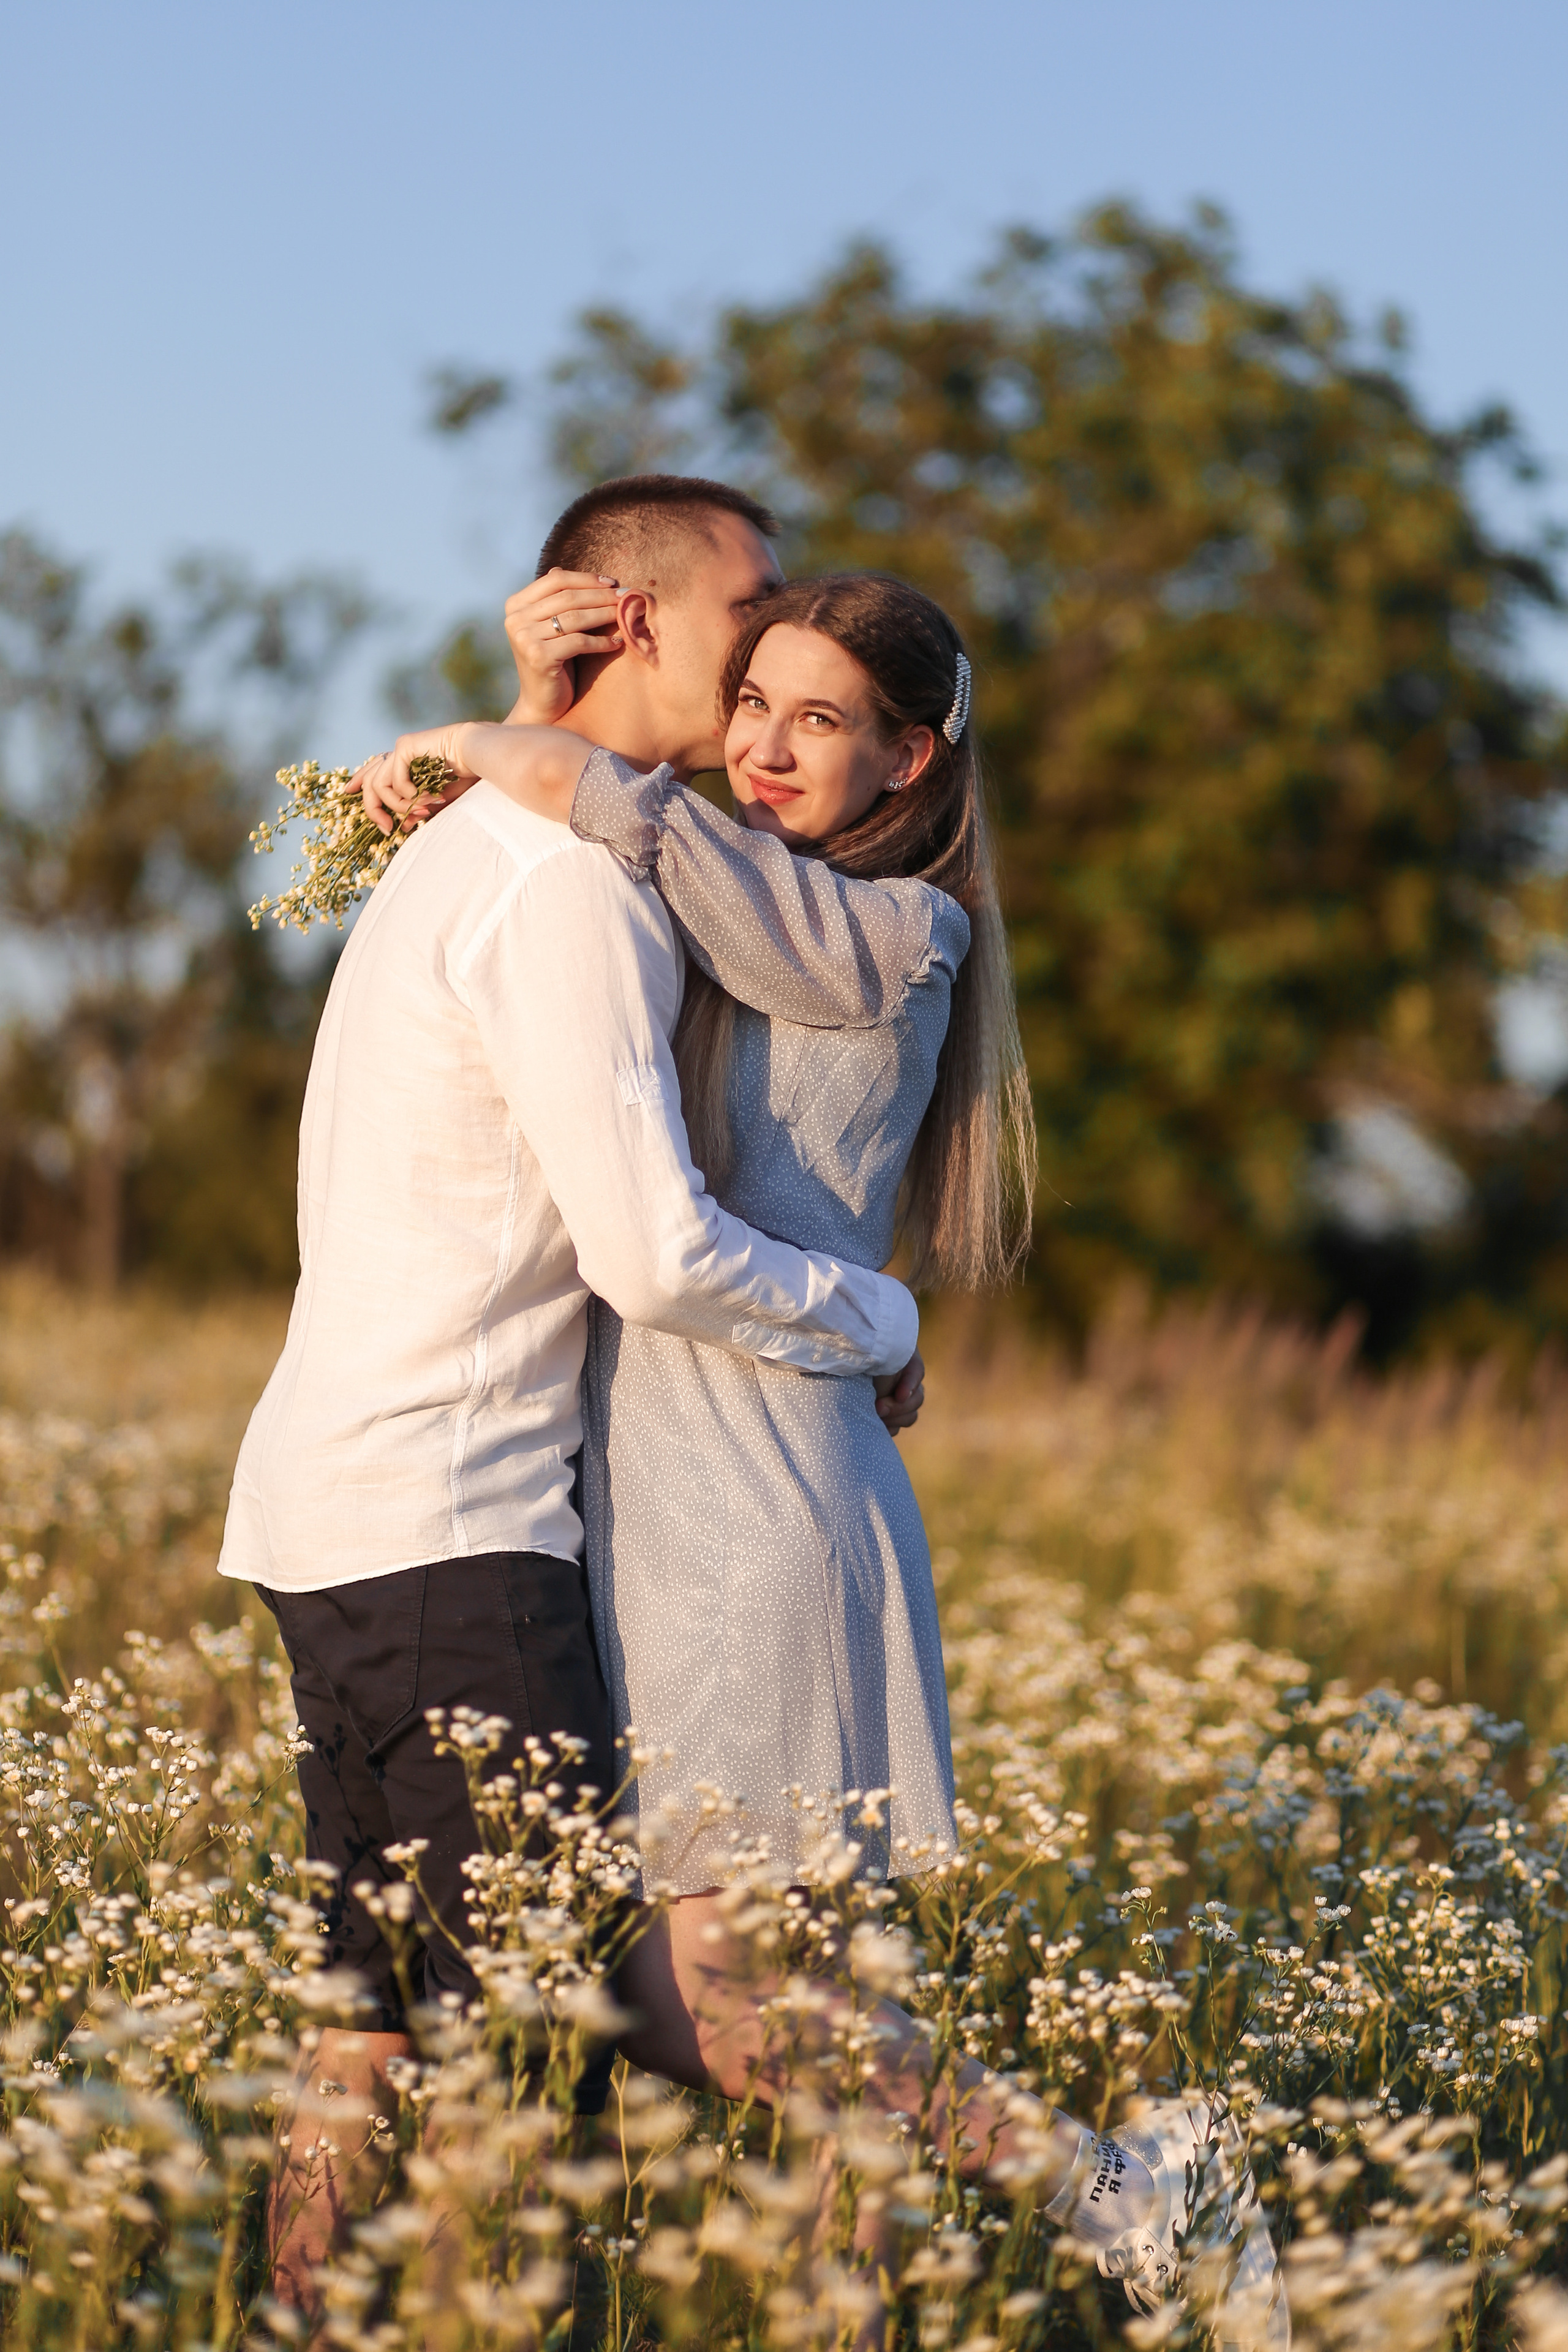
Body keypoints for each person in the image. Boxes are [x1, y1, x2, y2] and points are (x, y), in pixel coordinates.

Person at [361, 564, 1289, 2348]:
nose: (765, 745)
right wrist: (535, 708)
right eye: (754, 702)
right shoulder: (749, 891)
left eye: (822, 720)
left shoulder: (888, 935)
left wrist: (482, 738)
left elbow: (629, 818)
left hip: (754, 1503)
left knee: (722, 2001)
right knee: (741, 2005)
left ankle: (1118, 2190)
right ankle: (1093, 2201)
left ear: (910, 760)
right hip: (690, 1480)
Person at [217, 478, 931, 2321]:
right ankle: (1080, 2172)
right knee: (554, 2020)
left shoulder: (477, 836)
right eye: (750, 604)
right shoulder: (566, 890)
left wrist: (502, 727)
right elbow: (655, 1252)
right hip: (456, 1523)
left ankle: (301, 2324)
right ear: (635, 620)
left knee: (363, 2027)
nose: (774, 641)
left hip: (328, 1510)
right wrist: (869, 1310)